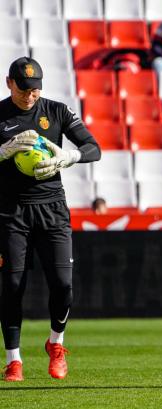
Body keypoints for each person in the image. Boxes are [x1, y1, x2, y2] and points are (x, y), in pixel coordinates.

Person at [0, 57, 101, 381]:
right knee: (13, 285)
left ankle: (55, 343)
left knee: (63, 285)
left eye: (36, 89)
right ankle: (14, 359)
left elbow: (92, 147)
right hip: (10, 211)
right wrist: (2, 151)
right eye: (25, 88)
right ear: (9, 83)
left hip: (53, 208)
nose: (31, 95)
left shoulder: (56, 111)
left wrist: (69, 156)